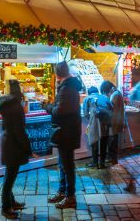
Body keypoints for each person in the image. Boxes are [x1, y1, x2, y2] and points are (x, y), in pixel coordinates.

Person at [46, 61, 82, 210]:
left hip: (67, 131)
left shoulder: (67, 88)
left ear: (58, 74)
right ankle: (63, 192)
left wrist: (47, 107)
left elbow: (59, 110)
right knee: (63, 163)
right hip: (67, 131)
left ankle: (70, 197)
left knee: (67, 165)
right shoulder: (69, 86)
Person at [0, 80, 31, 220]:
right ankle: (6, 207)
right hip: (13, 145)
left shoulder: (7, 104)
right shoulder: (16, 106)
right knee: (10, 177)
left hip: (8, 142)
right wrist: (28, 148)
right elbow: (19, 130)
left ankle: (12, 202)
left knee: (10, 175)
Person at [82, 86, 112, 169]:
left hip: (95, 122)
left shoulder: (88, 98)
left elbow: (85, 113)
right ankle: (102, 162)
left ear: (89, 92)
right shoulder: (105, 97)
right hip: (106, 122)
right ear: (97, 91)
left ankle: (95, 162)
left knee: (94, 141)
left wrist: (91, 119)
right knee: (104, 141)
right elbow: (111, 109)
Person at [100, 80, 125, 166]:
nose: (106, 94)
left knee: (112, 141)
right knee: (113, 141)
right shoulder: (117, 93)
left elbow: (111, 108)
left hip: (114, 122)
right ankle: (112, 159)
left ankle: (112, 159)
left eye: (105, 92)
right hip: (117, 121)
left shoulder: (115, 95)